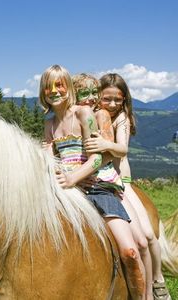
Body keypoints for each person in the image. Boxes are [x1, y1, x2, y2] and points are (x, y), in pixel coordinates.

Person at [40, 65, 145, 299]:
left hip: (96, 187)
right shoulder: (49, 123)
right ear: (42, 91)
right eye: (48, 86)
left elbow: (97, 159)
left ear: (69, 87)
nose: (54, 91)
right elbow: (50, 157)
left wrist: (74, 178)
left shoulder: (83, 114)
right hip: (67, 188)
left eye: (60, 85)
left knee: (129, 251)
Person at [80, 73, 171, 300]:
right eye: (106, 98)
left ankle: (158, 280)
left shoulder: (121, 118)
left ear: (124, 100)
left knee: (147, 235)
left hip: (121, 181)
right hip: (103, 178)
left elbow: (122, 149)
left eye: (117, 100)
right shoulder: (90, 114)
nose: (111, 104)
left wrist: (104, 144)